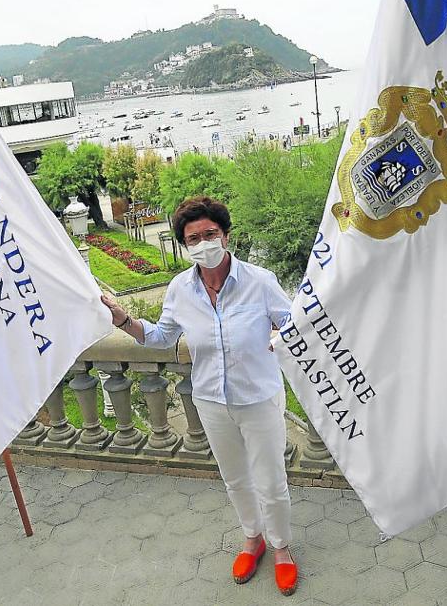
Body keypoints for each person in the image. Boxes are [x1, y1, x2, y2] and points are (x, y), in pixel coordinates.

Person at [101, 197, 299, 596]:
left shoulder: (260, 281)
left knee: (271, 480)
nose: (204, 242)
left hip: (258, 397)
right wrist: (123, 320)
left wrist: (280, 338)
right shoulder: (180, 290)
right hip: (211, 400)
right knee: (235, 478)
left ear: (226, 236)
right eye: (194, 238)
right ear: (185, 245)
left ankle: (281, 548)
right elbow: (161, 338)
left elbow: (293, 323)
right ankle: (252, 539)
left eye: (211, 234)